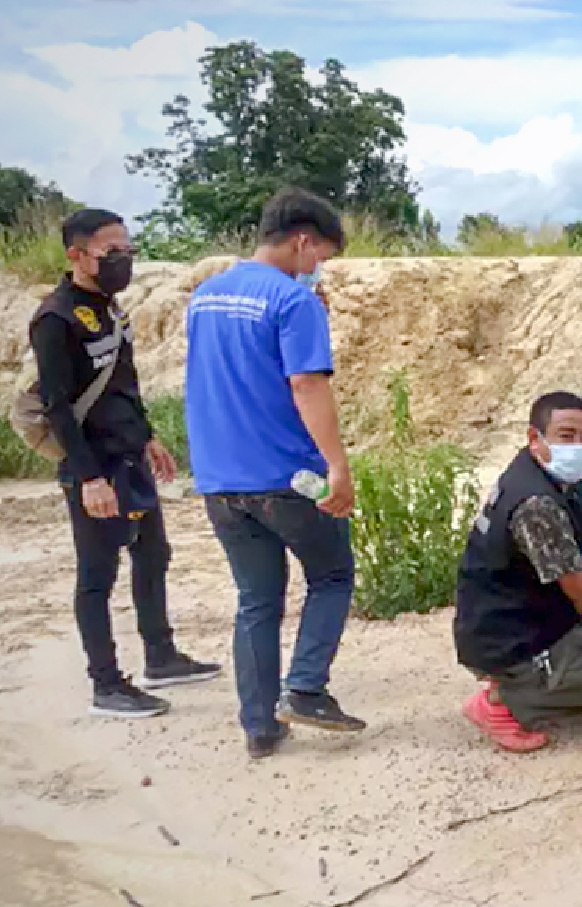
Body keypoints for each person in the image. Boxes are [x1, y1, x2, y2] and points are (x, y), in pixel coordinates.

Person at [186, 189, 361, 758]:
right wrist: (337, 463)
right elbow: (306, 383)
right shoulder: (293, 301)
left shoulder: (205, 296)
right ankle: (305, 688)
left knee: (256, 599)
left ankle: (260, 725)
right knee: (332, 575)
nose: (319, 269)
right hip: (286, 474)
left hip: (219, 477)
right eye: (322, 257)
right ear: (303, 241)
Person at [33, 208, 218, 718]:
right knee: (97, 573)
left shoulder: (111, 310)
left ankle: (161, 656)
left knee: (153, 553)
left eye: (128, 250)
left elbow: (123, 385)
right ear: (76, 255)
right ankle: (106, 683)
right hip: (94, 464)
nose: (123, 260)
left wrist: (147, 437)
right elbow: (58, 407)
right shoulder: (56, 318)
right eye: (111, 252)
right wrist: (89, 477)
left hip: (129, 456)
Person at [453, 393, 582, 752]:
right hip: (510, 638)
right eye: (566, 436)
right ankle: (503, 701)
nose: (578, 446)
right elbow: (579, 590)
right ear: (535, 437)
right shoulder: (536, 503)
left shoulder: (535, 474)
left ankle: (555, 673)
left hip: (526, 609)